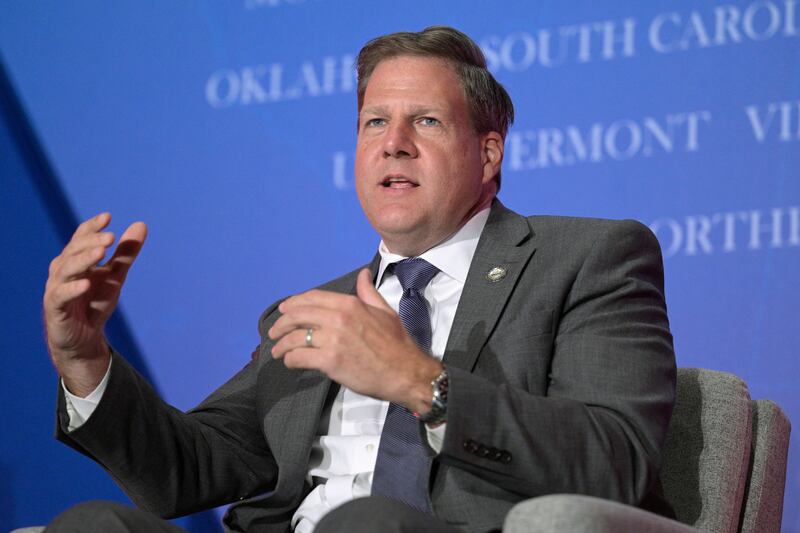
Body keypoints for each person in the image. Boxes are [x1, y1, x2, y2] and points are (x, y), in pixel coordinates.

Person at [43, 26, 676, 533]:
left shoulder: (588, 258)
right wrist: (85, 360)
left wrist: (419, 380)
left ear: (487, 153)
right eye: (375, 122)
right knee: (92, 524)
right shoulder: (321, 312)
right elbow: (188, 471)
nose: (393, 144)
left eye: (425, 121)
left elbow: (615, 463)